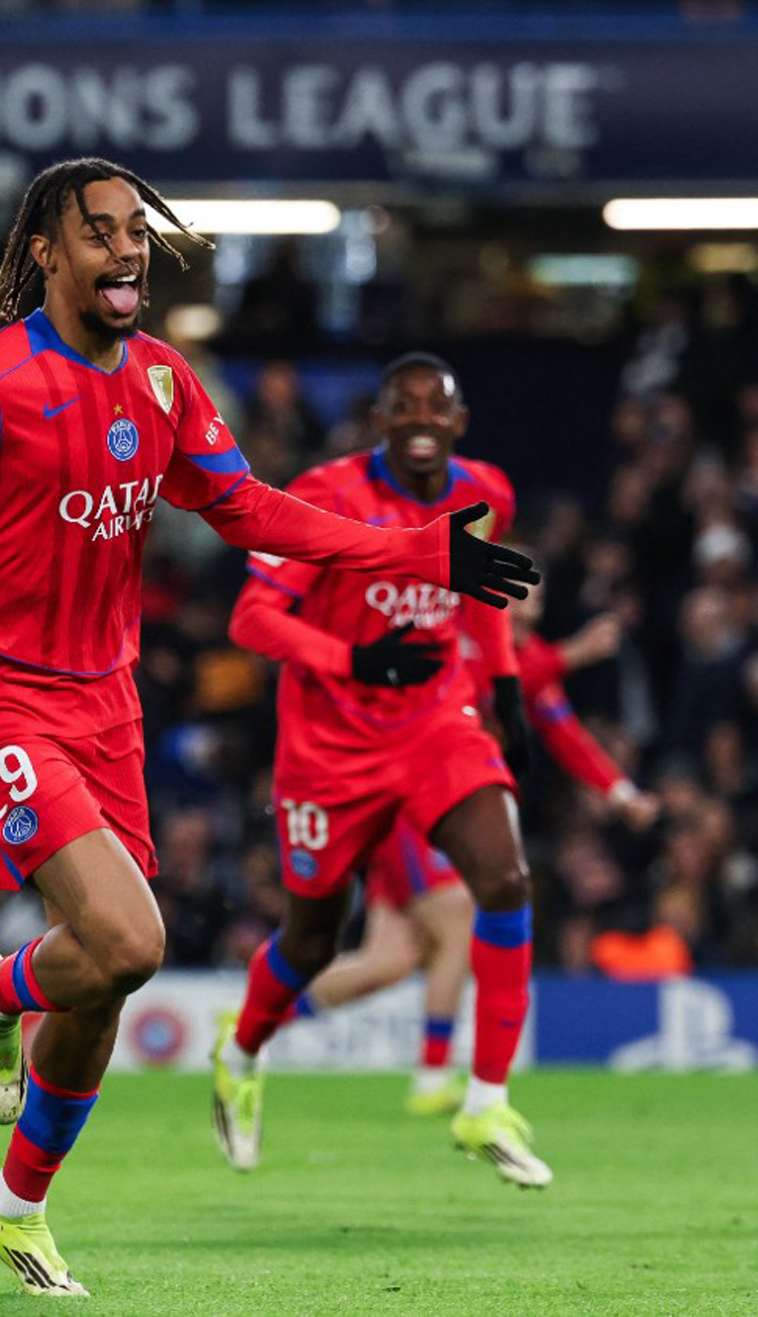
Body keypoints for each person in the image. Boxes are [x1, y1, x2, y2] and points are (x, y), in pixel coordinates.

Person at [0, 159, 536, 1296]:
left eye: (135, 234)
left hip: (106, 703)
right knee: (133, 941)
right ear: (46, 256)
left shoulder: (162, 382)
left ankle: (13, 1203)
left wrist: (422, 550)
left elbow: (250, 508)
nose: (125, 252)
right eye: (97, 233)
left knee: (103, 977)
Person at [214, 353, 552, 1188]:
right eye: (404, 407)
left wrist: (503, 683)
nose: (421, 420)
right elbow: (251, 618)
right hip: (329, 747)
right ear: (381, 421)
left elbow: (480, 589)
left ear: (460, 421)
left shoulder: (488, 493)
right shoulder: (325, 495)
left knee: (505, 880)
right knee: (313, 936)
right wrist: (354, 657)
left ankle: (485, 1100)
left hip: (436, 721)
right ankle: (242, 1049)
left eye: (437, 407)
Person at [269, 591, 658, 1116]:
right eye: (515, 609)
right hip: (409, 806)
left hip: (441, 814)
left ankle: (262, 1015)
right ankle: (432, 1078)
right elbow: (484, 682)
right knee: (461, 921)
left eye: (534, 612)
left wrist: (620, 792)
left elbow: (561, 729)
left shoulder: (528, 655)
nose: (524, 620)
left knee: (389, 963)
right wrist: (574, 654)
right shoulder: (455, 637)